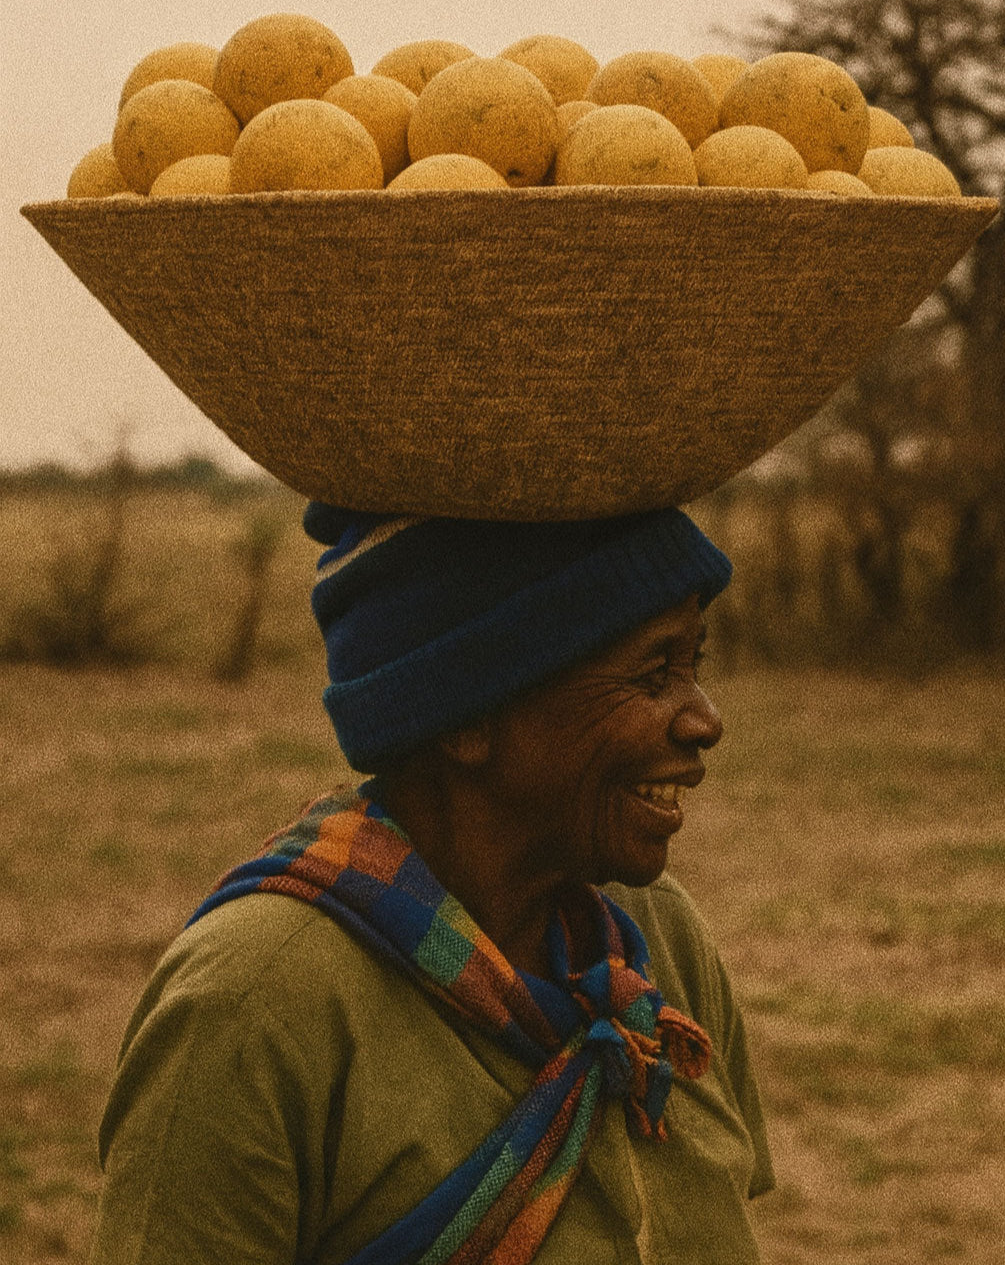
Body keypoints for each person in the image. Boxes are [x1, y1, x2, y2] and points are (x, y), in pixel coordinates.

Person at [88, 504, 774, 1265]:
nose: (704, 720)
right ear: (468, 716)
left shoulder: (651, 938)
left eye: (694, 665)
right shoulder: (253, 1007)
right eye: (653, 673)